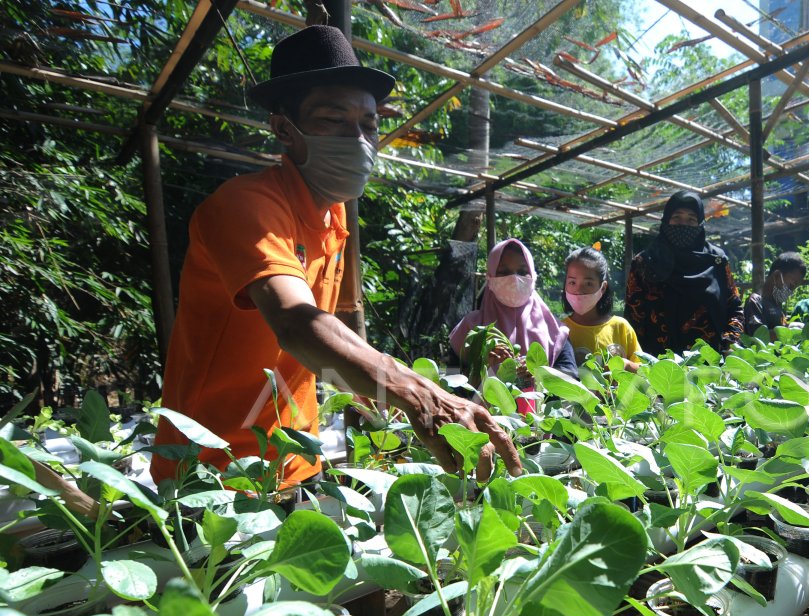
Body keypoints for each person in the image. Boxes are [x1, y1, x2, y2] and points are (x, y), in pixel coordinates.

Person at [151, 26, 519, 487]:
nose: (359, 140)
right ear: (285, 129)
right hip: (212, 474)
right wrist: (419, 392)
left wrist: (371, 402)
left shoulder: (335, 220)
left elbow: (326, 337)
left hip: (296, 459)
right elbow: (297, 323)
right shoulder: (246, 206)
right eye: (332, 120)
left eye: (368, 124)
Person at [625, 190, 744, 355]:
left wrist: (730, 342)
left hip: (710, 365)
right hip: (659, 365)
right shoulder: (645, 262)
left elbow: (735, 308)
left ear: (700, 223)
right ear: (666, 220)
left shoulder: (716, 260)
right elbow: (633, 316)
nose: (683, 225)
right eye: (676, 217)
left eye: (691, 219)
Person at [449, 238, 577, 381]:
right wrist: (483, 368)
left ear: (533, 277)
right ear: (490, 278)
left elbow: (571, 380)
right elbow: (451, 382)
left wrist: (539, 374)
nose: (514, 279)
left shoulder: (554, 332)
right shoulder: (471, 329)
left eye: (522, 272)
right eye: (504, 272)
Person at [560, 246, 641, 371]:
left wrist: (627, 365)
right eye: (572, 282)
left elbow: (644, 371)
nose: (579, 290)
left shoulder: (621, 327)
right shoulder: (560, 331)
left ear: (602, 288)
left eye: (588, 283)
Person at [743, 251, 807, 341]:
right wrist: (790, 331)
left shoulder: (778, 306)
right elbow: (758, 336)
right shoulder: (755, 301)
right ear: (777, 276)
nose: (791, 291)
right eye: (792, 285)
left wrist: (790, 326)